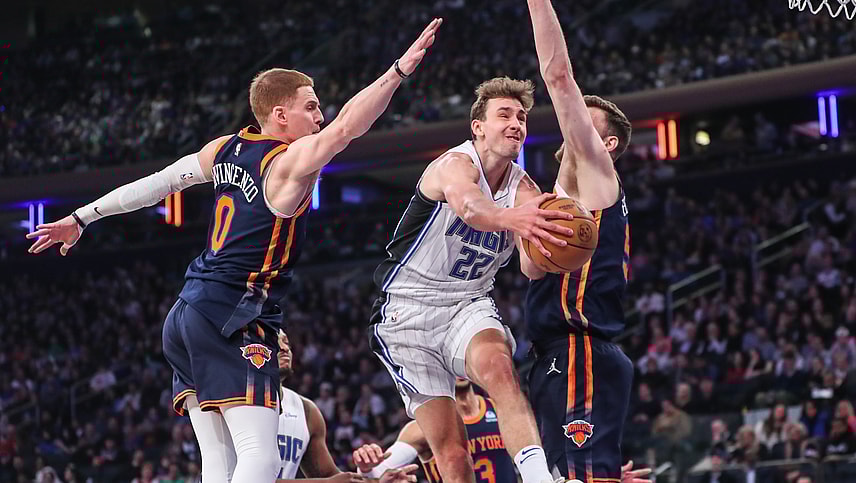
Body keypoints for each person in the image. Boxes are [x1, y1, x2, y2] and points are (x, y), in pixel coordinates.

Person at [26, 18, 443, 483]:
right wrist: (399, 71)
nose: (320, 116)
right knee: (258, 458)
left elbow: (157, 185)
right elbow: (347, 127)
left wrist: (82, 217)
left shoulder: (225, 148)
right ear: (280, 116)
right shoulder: (287, 165)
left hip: (185, 315)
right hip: (233, 314)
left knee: (220, 464)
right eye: (311, 107)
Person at [369, 75, 577, 483]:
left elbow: (531, 268)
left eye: (521, 117)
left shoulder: (524, 188)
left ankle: (540, 479)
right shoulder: (454, 164)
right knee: (452, 455)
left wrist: (552, 247)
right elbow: (468, 205)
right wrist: (514, 220)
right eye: (504, 115)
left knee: (500, 370)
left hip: (467, 301)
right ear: (478, 127)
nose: (516, 123)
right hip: (405, 310)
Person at [523, 1, 634, 481]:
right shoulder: (563, 199)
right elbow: (532, 272)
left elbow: (559, 77)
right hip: (557, 353)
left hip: (580, 349)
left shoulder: (598, 176)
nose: (573, 126)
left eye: (586, 124)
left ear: (606, 145)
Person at [352, 379, 651, 483]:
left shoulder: (506, 412)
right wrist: (367, 466)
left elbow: (543, 472)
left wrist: (595, 479)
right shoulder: (421, 426)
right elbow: (380, 472)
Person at [275, 330, 417, 483]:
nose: (285, 348)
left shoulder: (305, 410)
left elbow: (329, 477)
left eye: (287, 342)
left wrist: (376, 482)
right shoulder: (246, 405)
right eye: (275, 342)